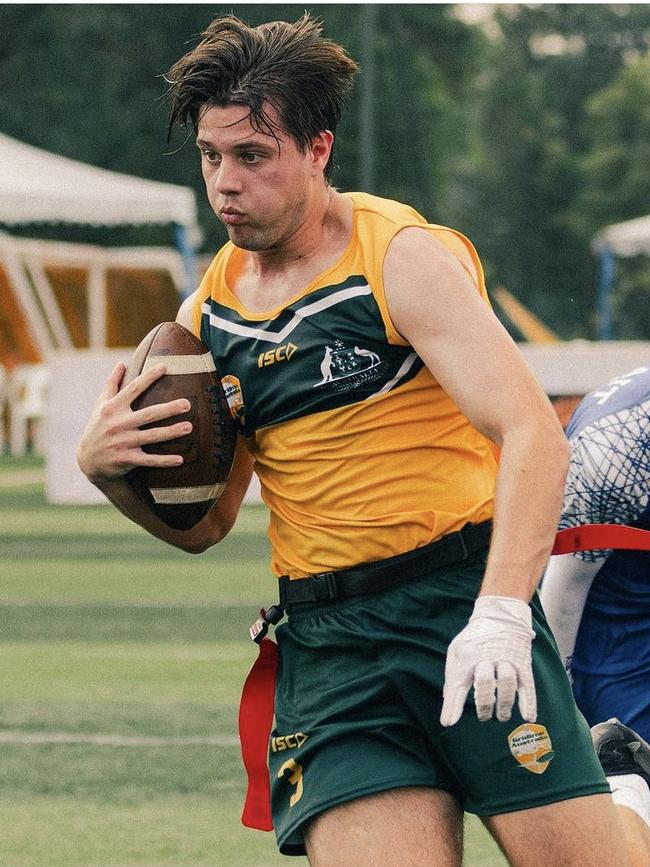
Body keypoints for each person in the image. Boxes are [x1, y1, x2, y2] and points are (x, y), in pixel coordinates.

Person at [78, 14, 627, 866]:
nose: (226, 182)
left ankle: (626, 790)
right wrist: (107, 470)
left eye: (253, 157)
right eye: (212, 157)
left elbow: (531, 433)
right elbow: (208, 526)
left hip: (460, 604)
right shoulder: (208, 316)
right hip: (331, 646)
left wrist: (500, 613)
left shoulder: (398, 260)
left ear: (319, 150)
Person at [541, 366, 650, 866]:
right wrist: (556, 713)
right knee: (630, 776)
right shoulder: (621, 441)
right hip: (621, 626)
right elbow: (563, 590)